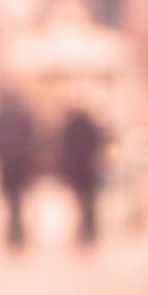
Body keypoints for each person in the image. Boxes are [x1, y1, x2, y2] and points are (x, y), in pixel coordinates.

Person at [0, 90, 39, 248]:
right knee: (16, 199)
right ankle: (16, 229)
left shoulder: (2, 117)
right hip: (16, 164)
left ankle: (15, 229)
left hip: (11, 164)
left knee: (13, 199)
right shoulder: (20, 117)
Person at [56, 104, 108, 247]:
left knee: (80, 201)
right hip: (88, 169)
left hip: (77, 170)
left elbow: (62, 148)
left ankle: (85, 230)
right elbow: (99, 142)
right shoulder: (90, 125)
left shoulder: (69, 127)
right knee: (89, 201)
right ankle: (90, 230)